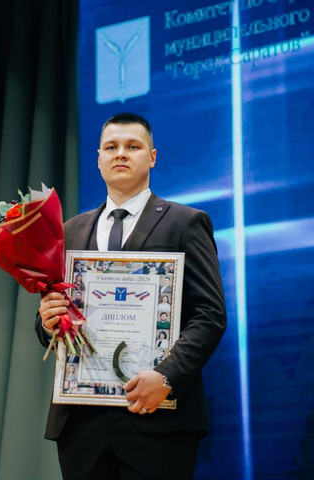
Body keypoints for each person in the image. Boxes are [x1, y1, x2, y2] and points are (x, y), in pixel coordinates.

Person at [35, 112, 226, 480]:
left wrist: (167, 378)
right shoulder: (70, 231)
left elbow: (210, 314)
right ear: (98, 159)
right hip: (81, 422)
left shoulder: (185, 223)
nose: (120, 153)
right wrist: (47, 321)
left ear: (152, 157)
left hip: (157, 417)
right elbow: (51, 325)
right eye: (111, 147)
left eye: (132, 146)